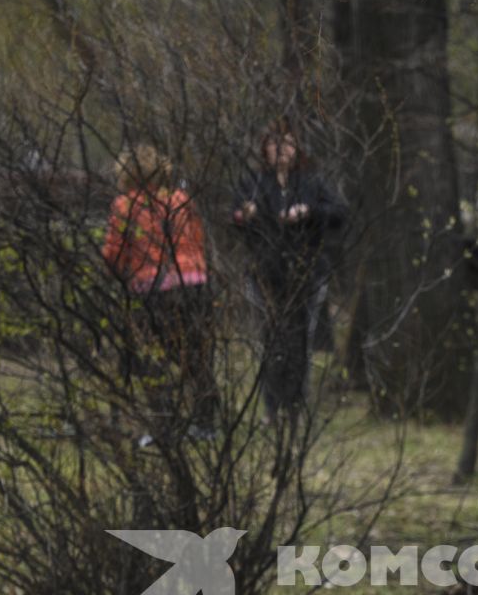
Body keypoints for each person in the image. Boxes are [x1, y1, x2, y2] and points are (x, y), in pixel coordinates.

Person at [230, 126, 347, 423]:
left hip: (307, 272)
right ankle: (272, 408)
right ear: (264, 149)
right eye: (274, 143)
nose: (281, 149)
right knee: (270, 340)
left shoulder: (311, 183)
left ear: (298, 149)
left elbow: (339, 213)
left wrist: (308, 211)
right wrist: (247, 214)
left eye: (289, 143)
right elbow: (235, 217)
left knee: (301, 340)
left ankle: (297, 408)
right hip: (265, 274)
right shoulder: (253, 184)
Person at [102, 145, 216, 438]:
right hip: (193, 282)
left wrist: (118, 273)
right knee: (193, 354)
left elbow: (114, 253)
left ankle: (164, 422)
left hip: (153, 287)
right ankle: (206, 420)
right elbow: (198, 238)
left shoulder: (126, 205)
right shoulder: (181, 199)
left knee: (151, 356)